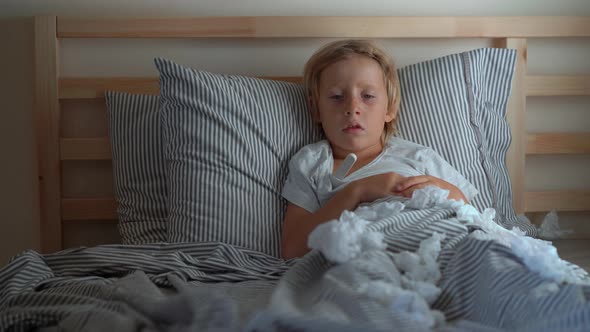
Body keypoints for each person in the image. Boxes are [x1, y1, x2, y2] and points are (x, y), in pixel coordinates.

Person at [281, 40, 478, 259]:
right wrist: (357, 191)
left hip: (437, 242)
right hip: (364, 254)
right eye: (337, 97)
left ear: (390, 108)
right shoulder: (312, 162)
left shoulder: (417, 156)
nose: (352, 108)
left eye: (367, 96)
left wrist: (441, 186)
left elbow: (471, 215)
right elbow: (293, 249)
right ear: (316, 110)